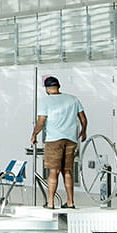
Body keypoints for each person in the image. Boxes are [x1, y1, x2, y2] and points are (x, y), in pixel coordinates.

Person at [32, 75, 88, 209]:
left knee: (54, 171)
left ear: (47, 88)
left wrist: (34, 134)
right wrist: (84, 131)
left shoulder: (45, 101)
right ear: (58, 86)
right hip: (71, 139)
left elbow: (41, 121)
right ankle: (70, 202)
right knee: (67, 171)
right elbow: (83, 119)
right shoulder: (73, 99)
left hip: (53, 140)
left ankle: (50, 202)